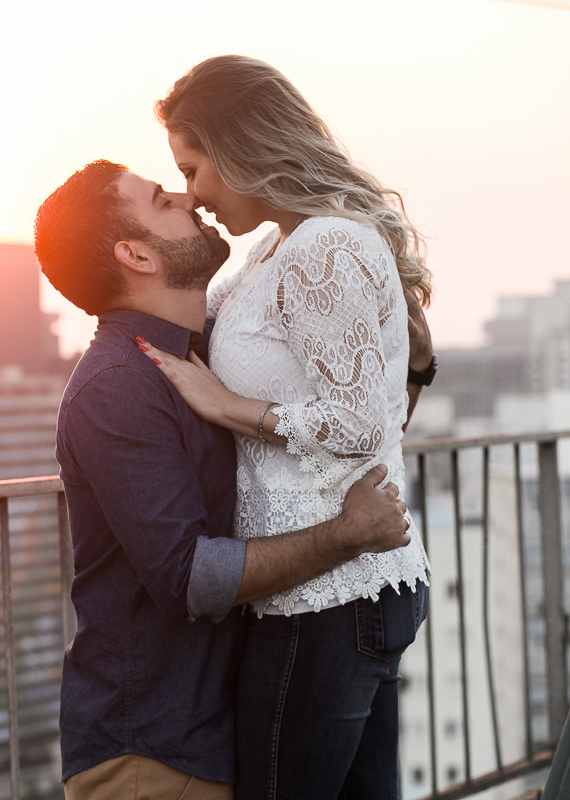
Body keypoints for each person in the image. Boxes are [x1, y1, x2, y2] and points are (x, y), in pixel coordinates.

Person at [33, 159, 413, 800]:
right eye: (161, 199)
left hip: (215, 734)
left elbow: (345, 422)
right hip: (151, 755)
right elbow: (190, 578)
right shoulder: (116, 386)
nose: (188, 195)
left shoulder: (205, 351)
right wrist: (348, 534)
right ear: (135, 254)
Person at [135, 55, 433, 798]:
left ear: (241, 147)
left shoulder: (324, 247)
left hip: (327, 600)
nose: (194, 194)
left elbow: (362, 422)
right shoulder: (277, 246)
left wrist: (230, 408)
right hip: (331, 588)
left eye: (194, 168)